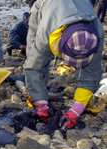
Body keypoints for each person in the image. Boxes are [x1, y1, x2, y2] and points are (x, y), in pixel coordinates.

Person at [24, 0, 104, 130]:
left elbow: (92, 73)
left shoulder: (97, 33)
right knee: (34, 56)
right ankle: (38, 94)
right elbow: (34, 66)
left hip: (81, 7)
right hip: (45, 5)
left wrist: (76, 110)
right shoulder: (46, 29)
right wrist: (40, 102)